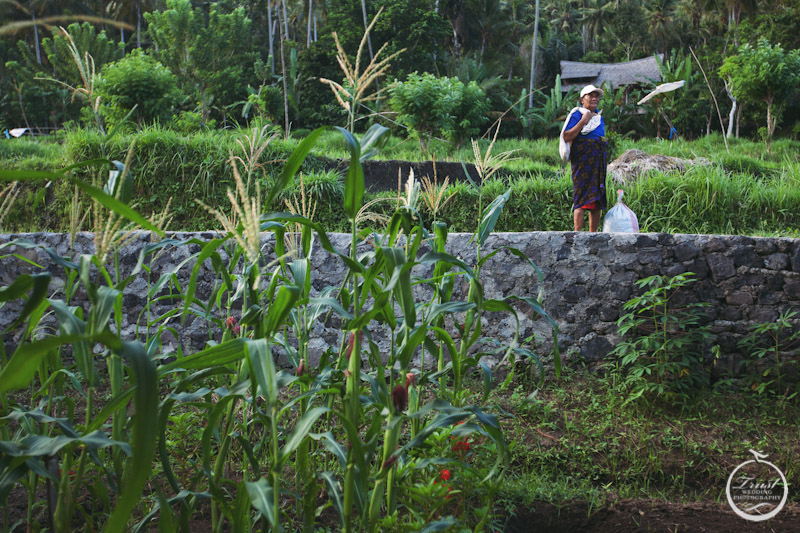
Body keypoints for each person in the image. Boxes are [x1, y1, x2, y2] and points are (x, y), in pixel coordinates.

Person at [562, 85, 607, 232]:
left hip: (597, 162)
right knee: (581, 197)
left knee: (597, 198)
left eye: (596, 96)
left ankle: (593, 235)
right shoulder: (577, 114)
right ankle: (577, 234)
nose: (594, 98)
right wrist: (583, 120)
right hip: (582, 162)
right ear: (582, 99)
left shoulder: (599, 117)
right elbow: (567, 136)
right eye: (590, 95)